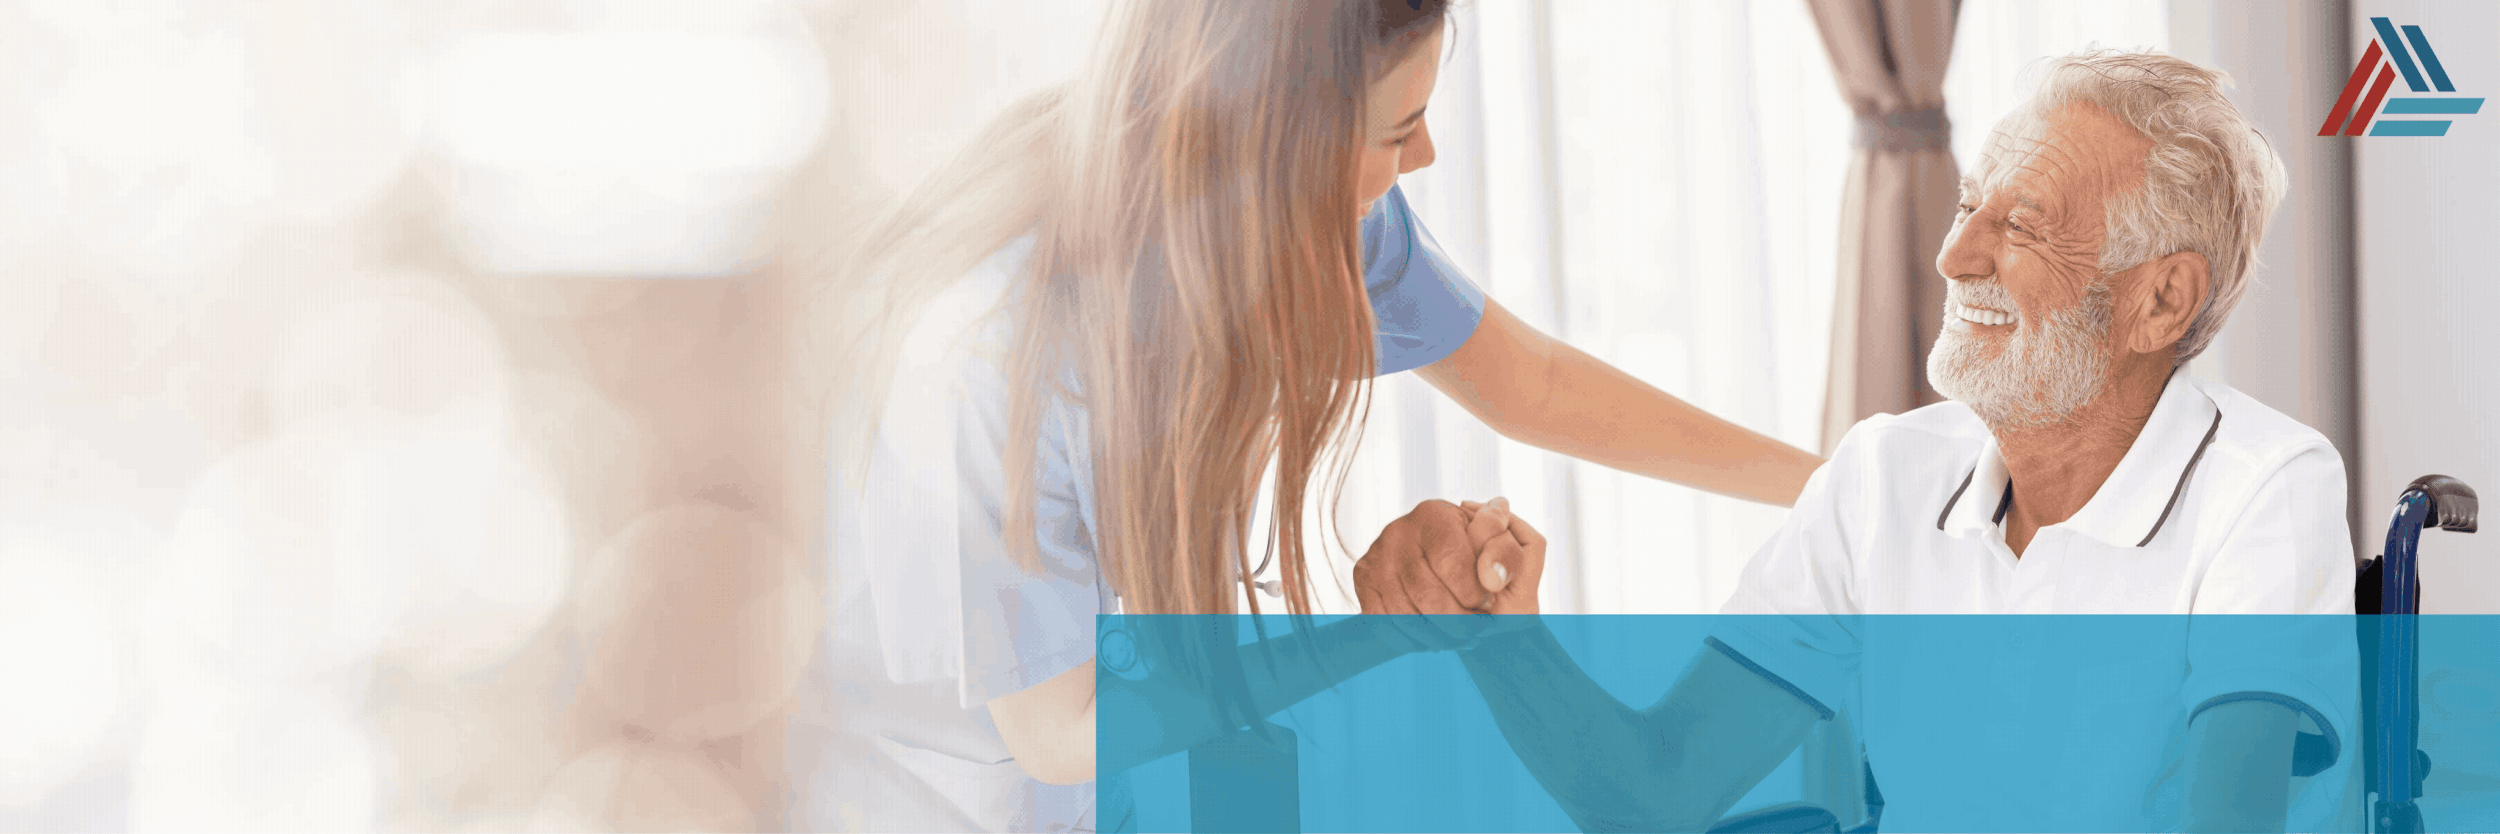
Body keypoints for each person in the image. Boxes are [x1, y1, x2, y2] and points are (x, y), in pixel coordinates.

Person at [796, 1, 1824, 831]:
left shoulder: (1320, 227)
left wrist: (1846, 485)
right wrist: (1383, 633)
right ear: (1271, 139)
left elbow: (1532, 388)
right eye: (1393, 129)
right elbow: (1063, 730)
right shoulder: (990, 357)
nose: (1420, 158)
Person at [1357, 51, 2359, 833]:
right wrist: (1501, 644)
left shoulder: (2265, 484)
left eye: (2021, 225)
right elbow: (1653, 797)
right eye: (1970, 205)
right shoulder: (1882, 476)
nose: (1953, 254)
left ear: (2161, 299)